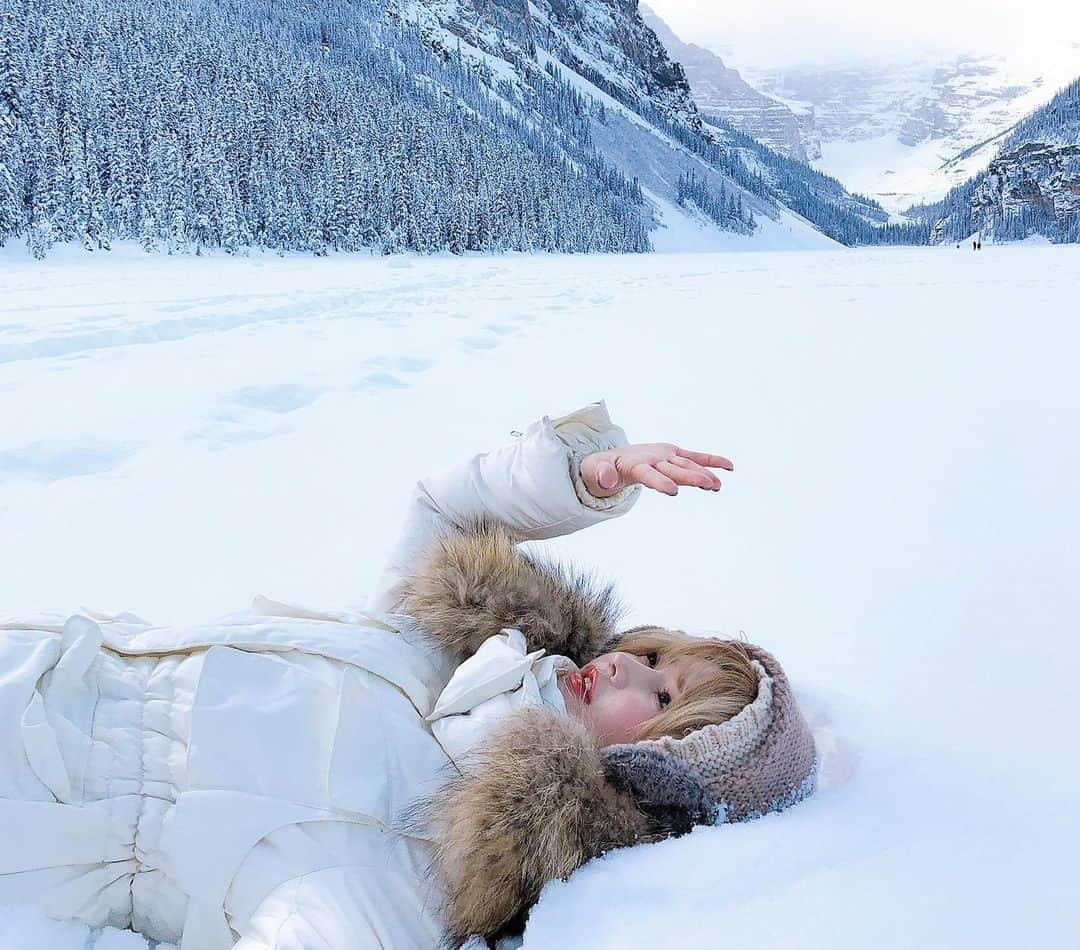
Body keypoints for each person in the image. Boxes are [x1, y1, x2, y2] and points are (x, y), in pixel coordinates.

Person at [0, 403, 817, 948]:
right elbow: (446, 509)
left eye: (662, 696)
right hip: (38, 654)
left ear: (656, 771)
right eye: (651, 653)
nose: (627, 669)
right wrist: (588, 474)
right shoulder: (451, 638)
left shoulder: (433, 862)